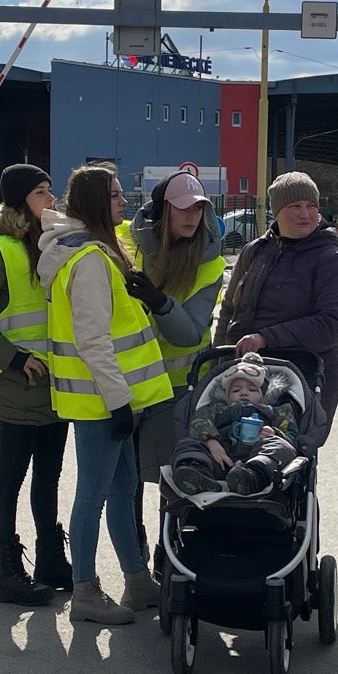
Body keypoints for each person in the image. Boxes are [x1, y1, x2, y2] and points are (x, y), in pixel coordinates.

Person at [39, 165, 170, 624]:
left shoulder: (90, 252)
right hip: (102, 401)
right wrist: (117, 402)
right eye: (114, 195)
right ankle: (85, 592)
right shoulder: (90, 260)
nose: (123, 201)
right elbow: (92, 340)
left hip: (109, 398)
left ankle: (137, 582)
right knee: (93, 495)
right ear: (96, 202)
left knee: (122, 488)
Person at [0, 163, 73, 605]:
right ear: (22, 200)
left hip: (55, 382)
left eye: (50, 190)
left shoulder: (51, 244)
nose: (51, 199)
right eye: (42, 192)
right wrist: (12, 358)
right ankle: (6, 571)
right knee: (11, 475)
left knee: (49, 476)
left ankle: (50, 560)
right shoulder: (1, 249)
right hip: (18, 383)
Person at [215, 170, 338, 436]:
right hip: (245, 374)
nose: (305, 214)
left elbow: (332, 324)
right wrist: (217, 364)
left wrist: (265, 337)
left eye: (311, 206)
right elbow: (230, 310)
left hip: (302, 378)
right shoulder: (254, 252)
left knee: (283, 446)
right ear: (277, 211)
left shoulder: (331, 261)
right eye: (295, 206)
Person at [122, 172, 227, 526]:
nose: (192, 216)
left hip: (178, 389)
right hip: (127, 385)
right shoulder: (127, 244)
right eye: (182, 208)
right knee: (127, 485)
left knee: (176, 482)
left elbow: (189, 334)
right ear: (160, 211)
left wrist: (159, 301)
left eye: (198, 209)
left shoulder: (210, 262)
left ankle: (168, 553)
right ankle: (135, 553)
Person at [168, 352, 300, 496]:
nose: (244, 393)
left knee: (282, 447)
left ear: (264, 394)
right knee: (187, 444)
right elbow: (199, 420)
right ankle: (196, 473)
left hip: (258, 457)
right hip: (220, 458)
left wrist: (274, 433)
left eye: (252, 389)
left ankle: (253, 477)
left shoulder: (275, 411)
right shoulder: (217, 408)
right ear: (226, 394)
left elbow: (291, 434)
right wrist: (212, 442)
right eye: (236, 390)